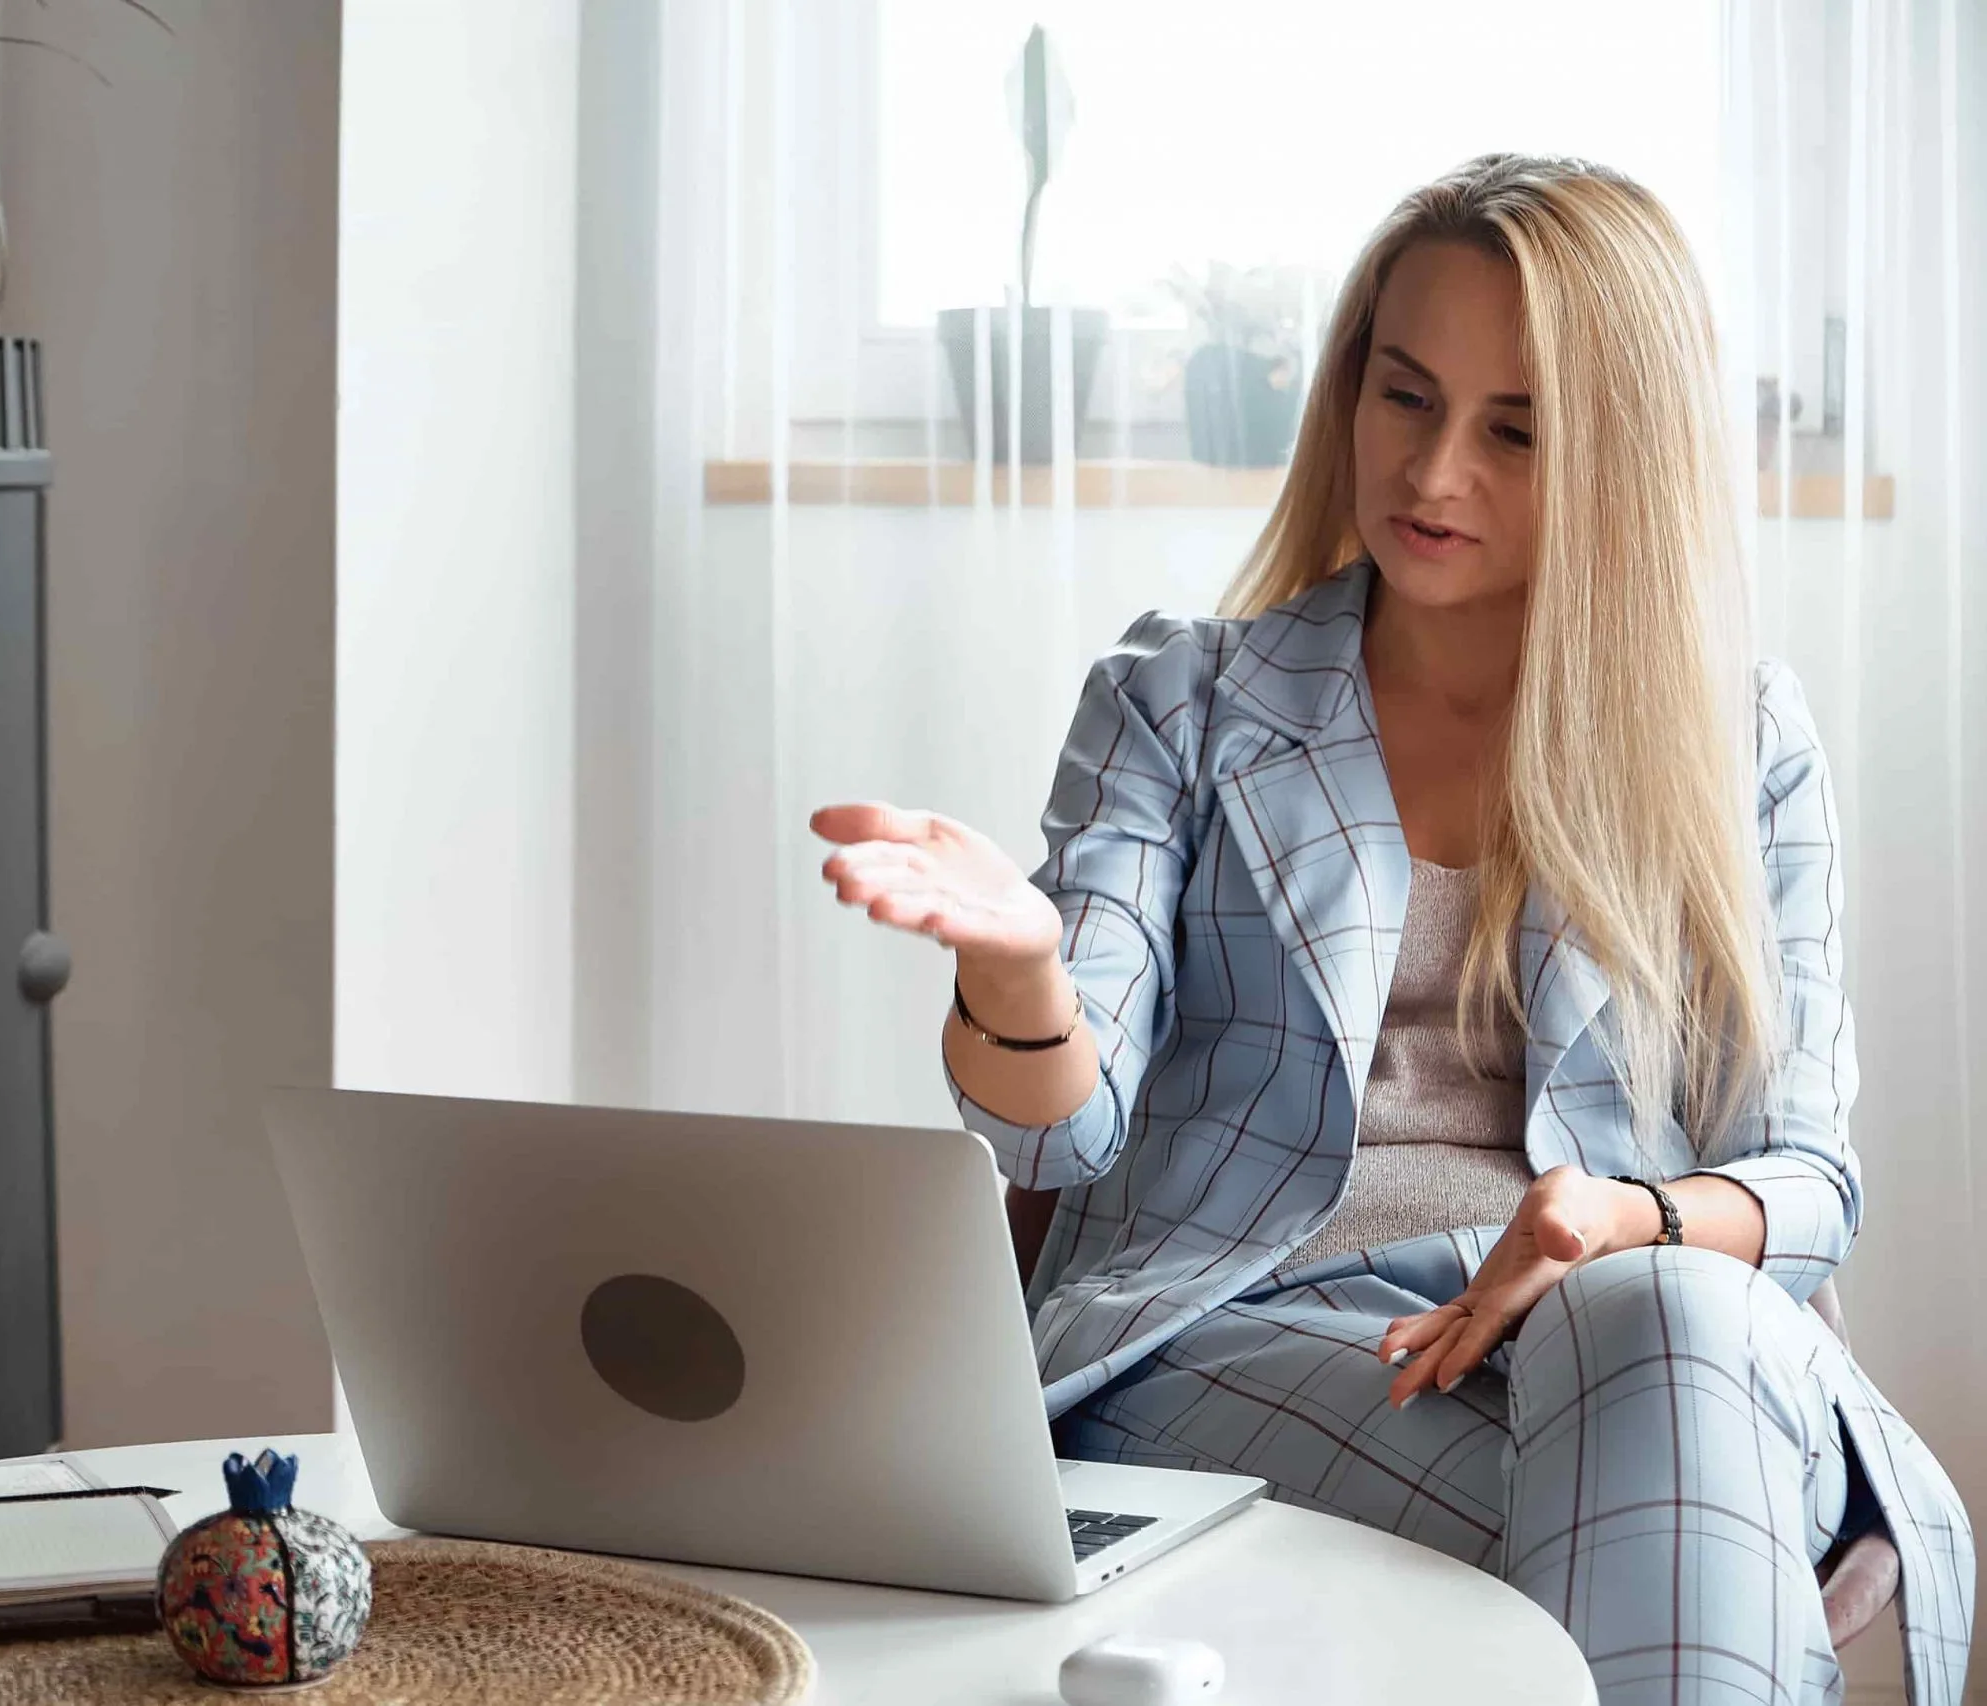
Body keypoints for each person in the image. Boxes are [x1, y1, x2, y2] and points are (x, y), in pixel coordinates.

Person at [813, 155, 1972, 1706]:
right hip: (1248, 1334)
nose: (1432, 473)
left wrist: (1613, 1222)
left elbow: (1809, 1179)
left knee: (1665, 1334)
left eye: (1514, 430)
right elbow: (1056, 1138)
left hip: (1627, 1329)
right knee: (1688, 1527)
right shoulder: (1182, 702)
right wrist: (1019, 969)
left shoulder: (1738, 740)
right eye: (1405, 397)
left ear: (1622, 456)